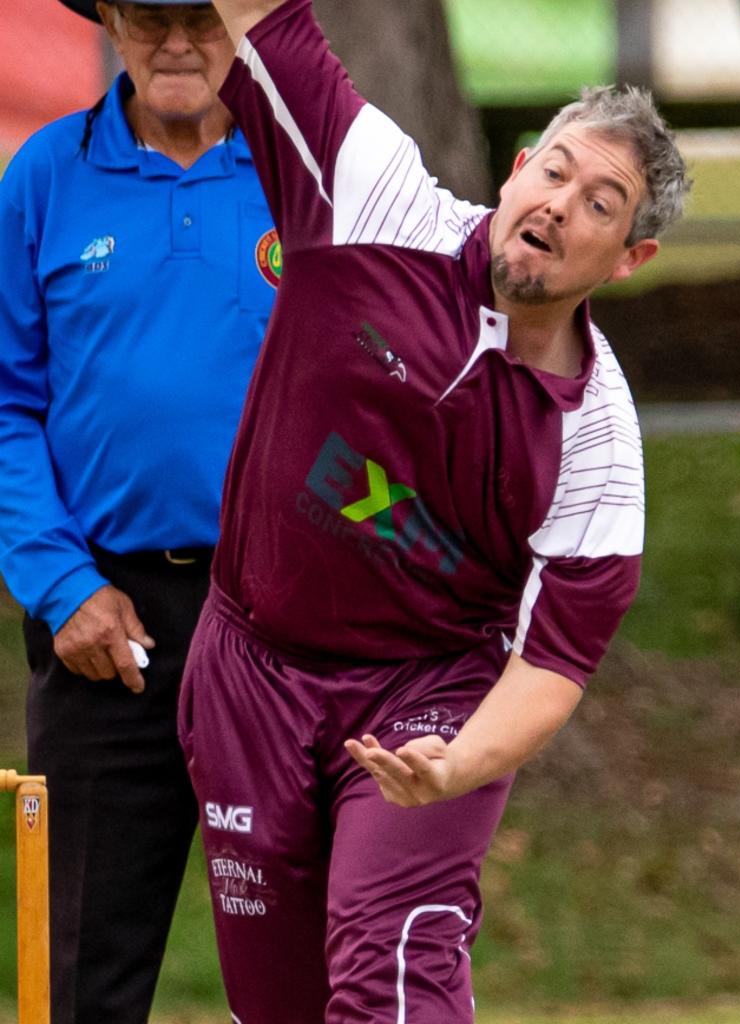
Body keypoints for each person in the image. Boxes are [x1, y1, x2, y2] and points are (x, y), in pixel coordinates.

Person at [178, 1, 691, 1021]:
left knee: (388, 962)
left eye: (601, 202)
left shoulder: (596, 442)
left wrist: (458, 759)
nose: (559, 203)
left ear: (628, 257)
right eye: (554, 170)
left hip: (427, 694)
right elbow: (260, 20)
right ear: (515, 171)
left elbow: (551, 661)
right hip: (249, 667)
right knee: (274, 1000)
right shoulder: (380, 202)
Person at [0, 1, 277, 1021]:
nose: (175, 42)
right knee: (85, 974)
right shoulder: (43, 177)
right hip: (109, 629)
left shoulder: (306, 173)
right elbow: (4, 401)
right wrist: (62, 584)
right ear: (112, 20)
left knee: (311, 960)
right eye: (150, 14)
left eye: (201, 16)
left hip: (284, 628)